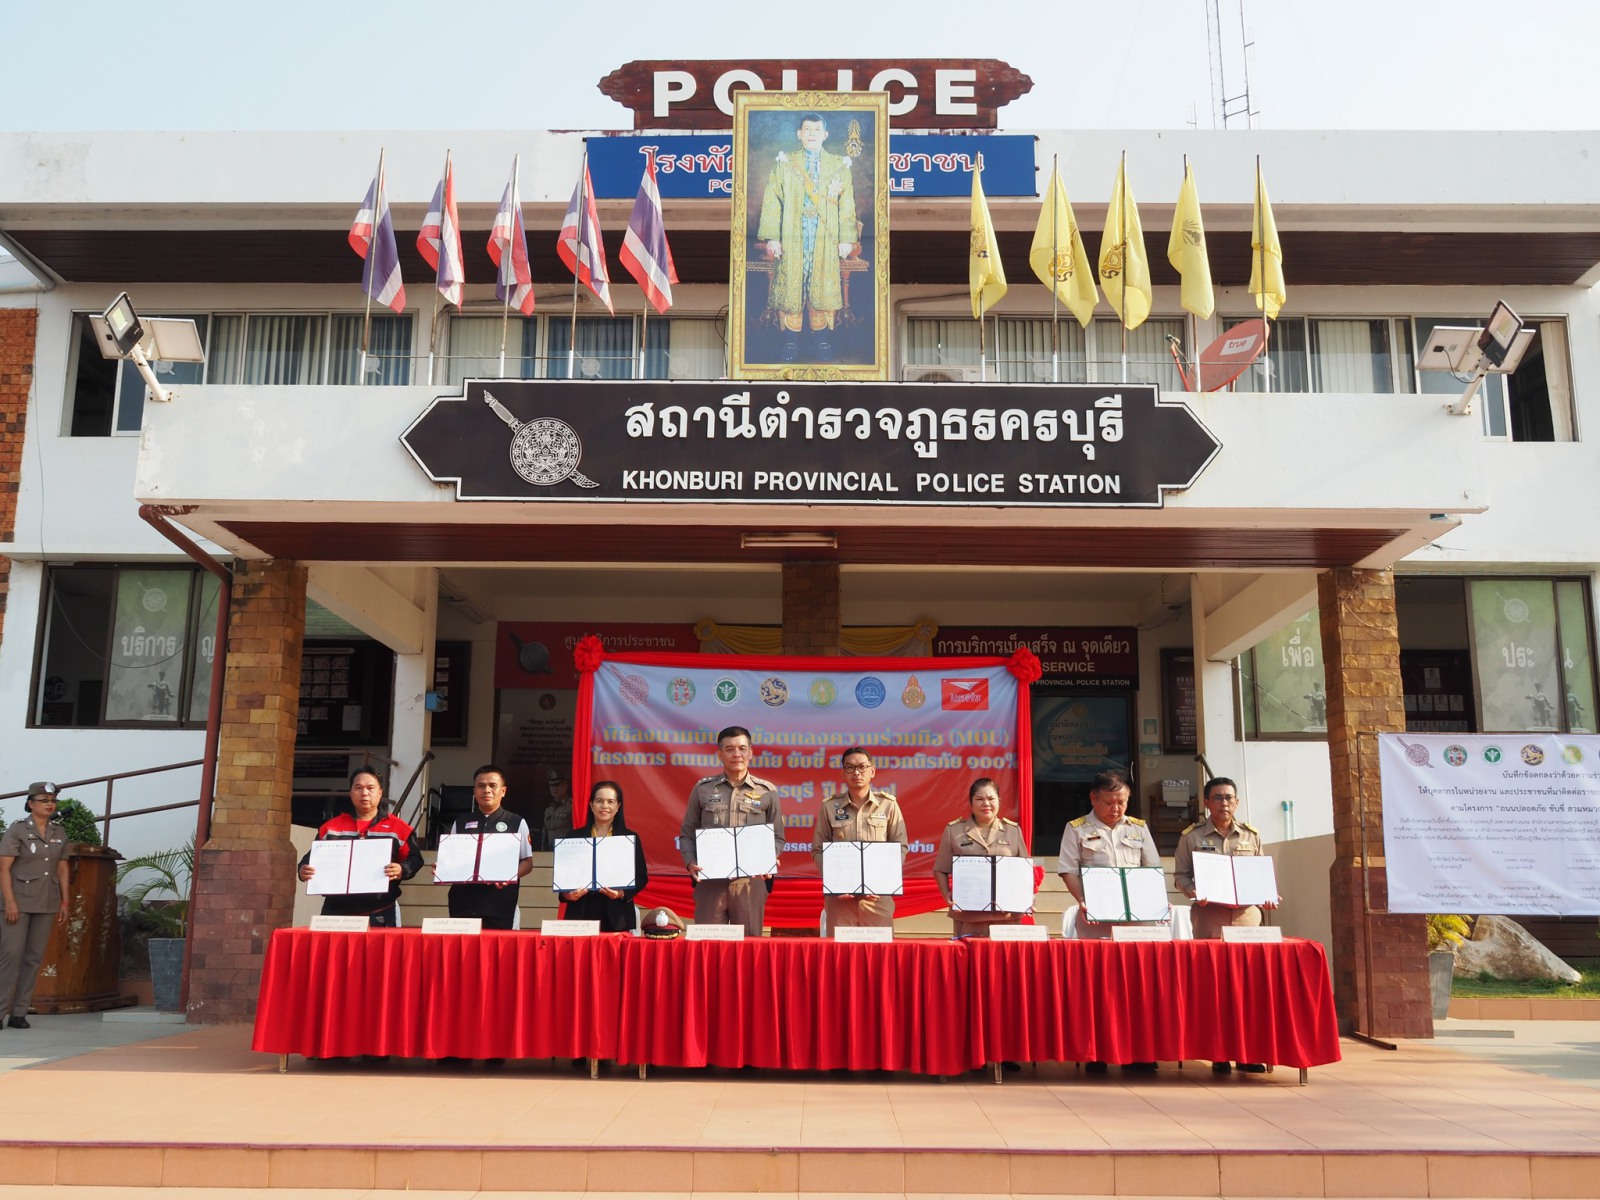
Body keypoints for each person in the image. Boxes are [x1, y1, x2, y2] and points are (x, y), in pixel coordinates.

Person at [1057, 768, 1160, 1073]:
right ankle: (1097, 1053)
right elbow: (1068, 870)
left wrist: (1154, 898)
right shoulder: (1076, 829)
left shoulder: (1138, 828)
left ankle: (1140, 1053)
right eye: (1109, 802)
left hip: (1136, 922)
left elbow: (1151, 868)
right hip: (1096, 920)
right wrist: (1082, 900)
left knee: (1137, 987)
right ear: (1093, 798)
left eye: (1122, 802)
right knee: (1097, 989)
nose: (1116, 808)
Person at [1173, 776, 1277, 1074]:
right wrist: (1192, 891)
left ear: (1237, 802)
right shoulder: (1191, 836)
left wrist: (1268, 894)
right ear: (1207, 802)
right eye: (1217, 798)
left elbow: (1259, 872)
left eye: (1229, 797)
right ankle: (1219, 1053)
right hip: (1210, 918)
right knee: (1214, 989)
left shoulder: (1251, 836)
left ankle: (1247, 1053)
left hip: (1247, 919)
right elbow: (1180, 876)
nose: (1224, 803)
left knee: (1248, 988)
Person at [756, 111, 858, 363]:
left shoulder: (839, 166)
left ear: (825, 134)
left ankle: (822, 340)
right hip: (792, 236)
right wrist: (773, 237)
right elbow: (772, 200)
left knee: (821, 285)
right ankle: (790, 343)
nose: (812, 134)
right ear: (799, 134)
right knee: (793, 285)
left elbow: (847, 205)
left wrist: (846, 239)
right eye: (807, 130)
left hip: (824, 238)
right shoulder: (785, 163)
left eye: (816, 130)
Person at [679, 726, 783, 935]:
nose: (737, 754)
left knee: (749, 945)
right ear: (719, 754)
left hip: (750, 882)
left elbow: (777, 837)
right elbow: (687, 833)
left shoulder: (767, 791)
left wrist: (768, 859)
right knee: (708, 944)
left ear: (751, 753)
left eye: (742, 749)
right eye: (729, 749)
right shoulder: (703, 789)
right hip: (710, 880)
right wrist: (690, 862)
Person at [296, 767, 423, 927]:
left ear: (380, 793)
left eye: (370, 788)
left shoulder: (399, 828)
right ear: (350, 792)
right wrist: (303, 870)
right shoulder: (330, 828)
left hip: (379, 913)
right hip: (335, 913)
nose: (364, 793)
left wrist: (401, 869)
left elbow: (415, 859)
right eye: (358, 788)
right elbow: (310, 861)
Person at [811, 747, 907, 930]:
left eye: (862, 767)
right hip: (840, 900)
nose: (856, 772)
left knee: (878, 948)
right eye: (850, 767)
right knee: (841, 948)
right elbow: (818, 850)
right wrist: (835, 882)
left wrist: (881, 881)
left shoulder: (888, 805)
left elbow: (900, 847)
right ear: (843, 773)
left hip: (877, 898)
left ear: (872, 771)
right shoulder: (829, 807)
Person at [0, 782, 71, 1029]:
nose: (50, 804)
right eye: (44, 800)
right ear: (31, 803)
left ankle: (19, 1013)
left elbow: (62, 868)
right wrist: (9, 901)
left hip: (47, 901)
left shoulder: (59, 831)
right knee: (10, 956)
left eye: (53, 800)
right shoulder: (17, 829)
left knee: (33, 958)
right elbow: (4, 868)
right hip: (17, 902)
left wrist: (65, 901)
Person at [933, 777, 1029, 938]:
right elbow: (940, 869)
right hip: (968, 915)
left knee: (1006, 955)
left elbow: (1024, 871)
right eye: (979, 799)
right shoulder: (954, 831)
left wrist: (1027, 898)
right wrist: (946, 894)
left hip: (1007, 915)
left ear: (999, 801)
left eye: (991, 799)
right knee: (970, 955)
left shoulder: (1013, 831)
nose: (986, 804)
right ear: (970, 803)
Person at [444, 764, 534, 931]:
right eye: (481, 786)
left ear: (503, 791)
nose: (486, 790)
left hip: (500, 904)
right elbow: (453, 859)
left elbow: (527, 862)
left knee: (499, 948)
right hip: (463, 903)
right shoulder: (461, 822)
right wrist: (444, 867)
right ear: (474, 791)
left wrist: (509, 876)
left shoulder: (516, 822)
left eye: (493, 786)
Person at [558, 780, 648, 932]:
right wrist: (567, 895)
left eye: (610, 801)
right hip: (581, 912)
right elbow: (563, 878)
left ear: (618, 806)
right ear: (591, 805)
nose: (604, 806)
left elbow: (641, 877)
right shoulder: (573, 837)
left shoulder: (629, 838)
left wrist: (621, 893)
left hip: (617, 916)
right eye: (599, 801)